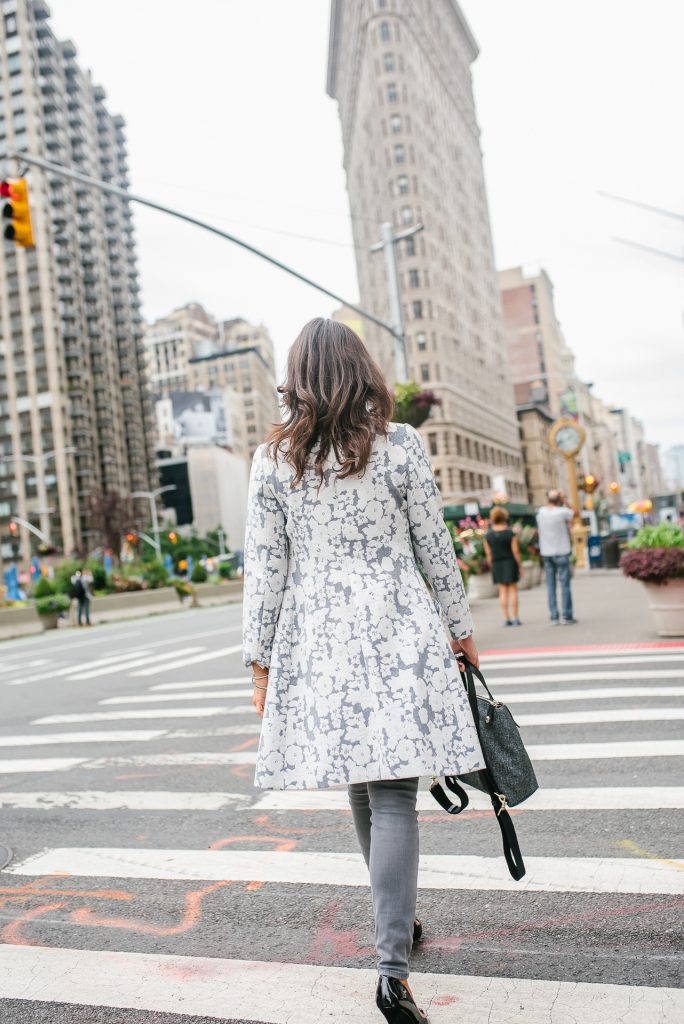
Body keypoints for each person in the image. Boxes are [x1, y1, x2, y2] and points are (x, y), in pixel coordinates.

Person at [243, 318, 484, 1024]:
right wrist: (461, 630)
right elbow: (434, 544)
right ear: (361, 370)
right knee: (393, 794)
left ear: (299, 378)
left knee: (366, 784)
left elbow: (267, 570)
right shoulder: (400, 444)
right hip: (396, 624)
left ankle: (395, 930)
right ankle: (391, 966)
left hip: (319, 636)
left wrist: (258, 659)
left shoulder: (272, 459)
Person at [537, 489, 576, 624]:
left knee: (550, 586)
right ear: (559, 500)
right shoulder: (563, 512)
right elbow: (575, 513)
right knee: (565, 585)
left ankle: (554, 616)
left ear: (547, 499)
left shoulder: (540, 512)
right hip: (562, 552)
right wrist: (565, 500)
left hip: (546, 553)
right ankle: (567, 616)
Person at [484, 507, 523, 626]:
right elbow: (516, 551)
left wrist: (492, 565)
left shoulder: (488, 535)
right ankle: (516, 618)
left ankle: (507, 619)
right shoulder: (510, 533)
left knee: (502, 591)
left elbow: (488, 554)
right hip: (510, 562)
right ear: (504, 518)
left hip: (497, 563)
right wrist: (520, 566)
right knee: (513, 590)